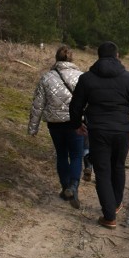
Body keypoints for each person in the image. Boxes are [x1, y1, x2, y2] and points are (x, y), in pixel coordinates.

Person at [69, 41, 129, 229]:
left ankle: (109, 215)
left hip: (98, 132)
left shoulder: (87, 78)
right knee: (118, 167)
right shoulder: (128, 78)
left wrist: (76, 125)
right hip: (122, 131)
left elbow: (75, 105)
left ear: (98, 56)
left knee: (103, 171)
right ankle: (115, 204)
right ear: (117, 56)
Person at [28, 45, 84, 209]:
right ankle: (73, 187)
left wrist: (33, 127)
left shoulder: (46, 78)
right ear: (72, 59)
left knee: (61, 154)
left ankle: (65, 187)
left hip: (54, 124)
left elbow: (37, 105)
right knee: (76, 155)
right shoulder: (81, 77)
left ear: (56, 58)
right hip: (75, 123)